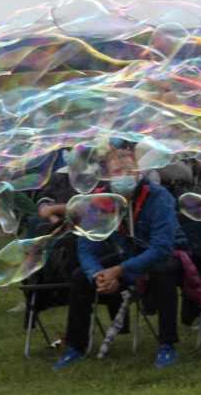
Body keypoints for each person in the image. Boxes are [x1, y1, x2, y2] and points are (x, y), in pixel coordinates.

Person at [54, 147, 190, 369]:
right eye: (118, 171)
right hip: (131, 255)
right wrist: (98, 275)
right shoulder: (100, 201)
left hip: (170, 256)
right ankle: (75, 347)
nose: (125, 176)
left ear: (139, 172)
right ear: (107, 176)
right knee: (80, 276)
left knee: (162, 270)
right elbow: (87, 248)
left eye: (130, 170)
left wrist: (118, 271)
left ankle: (167, 344)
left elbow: (161, 248)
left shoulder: (158, 197)